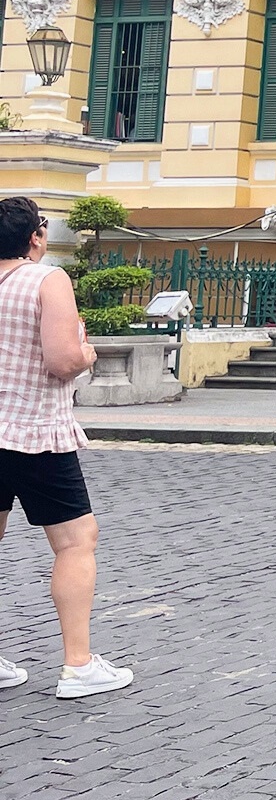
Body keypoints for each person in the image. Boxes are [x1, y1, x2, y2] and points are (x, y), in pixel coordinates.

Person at [0, 196, 133, 698]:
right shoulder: (47, 279)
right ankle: (78, 664)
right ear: (35, 237)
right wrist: (87, 353)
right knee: (77, 541)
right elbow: (60, 361)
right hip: (33, 431)